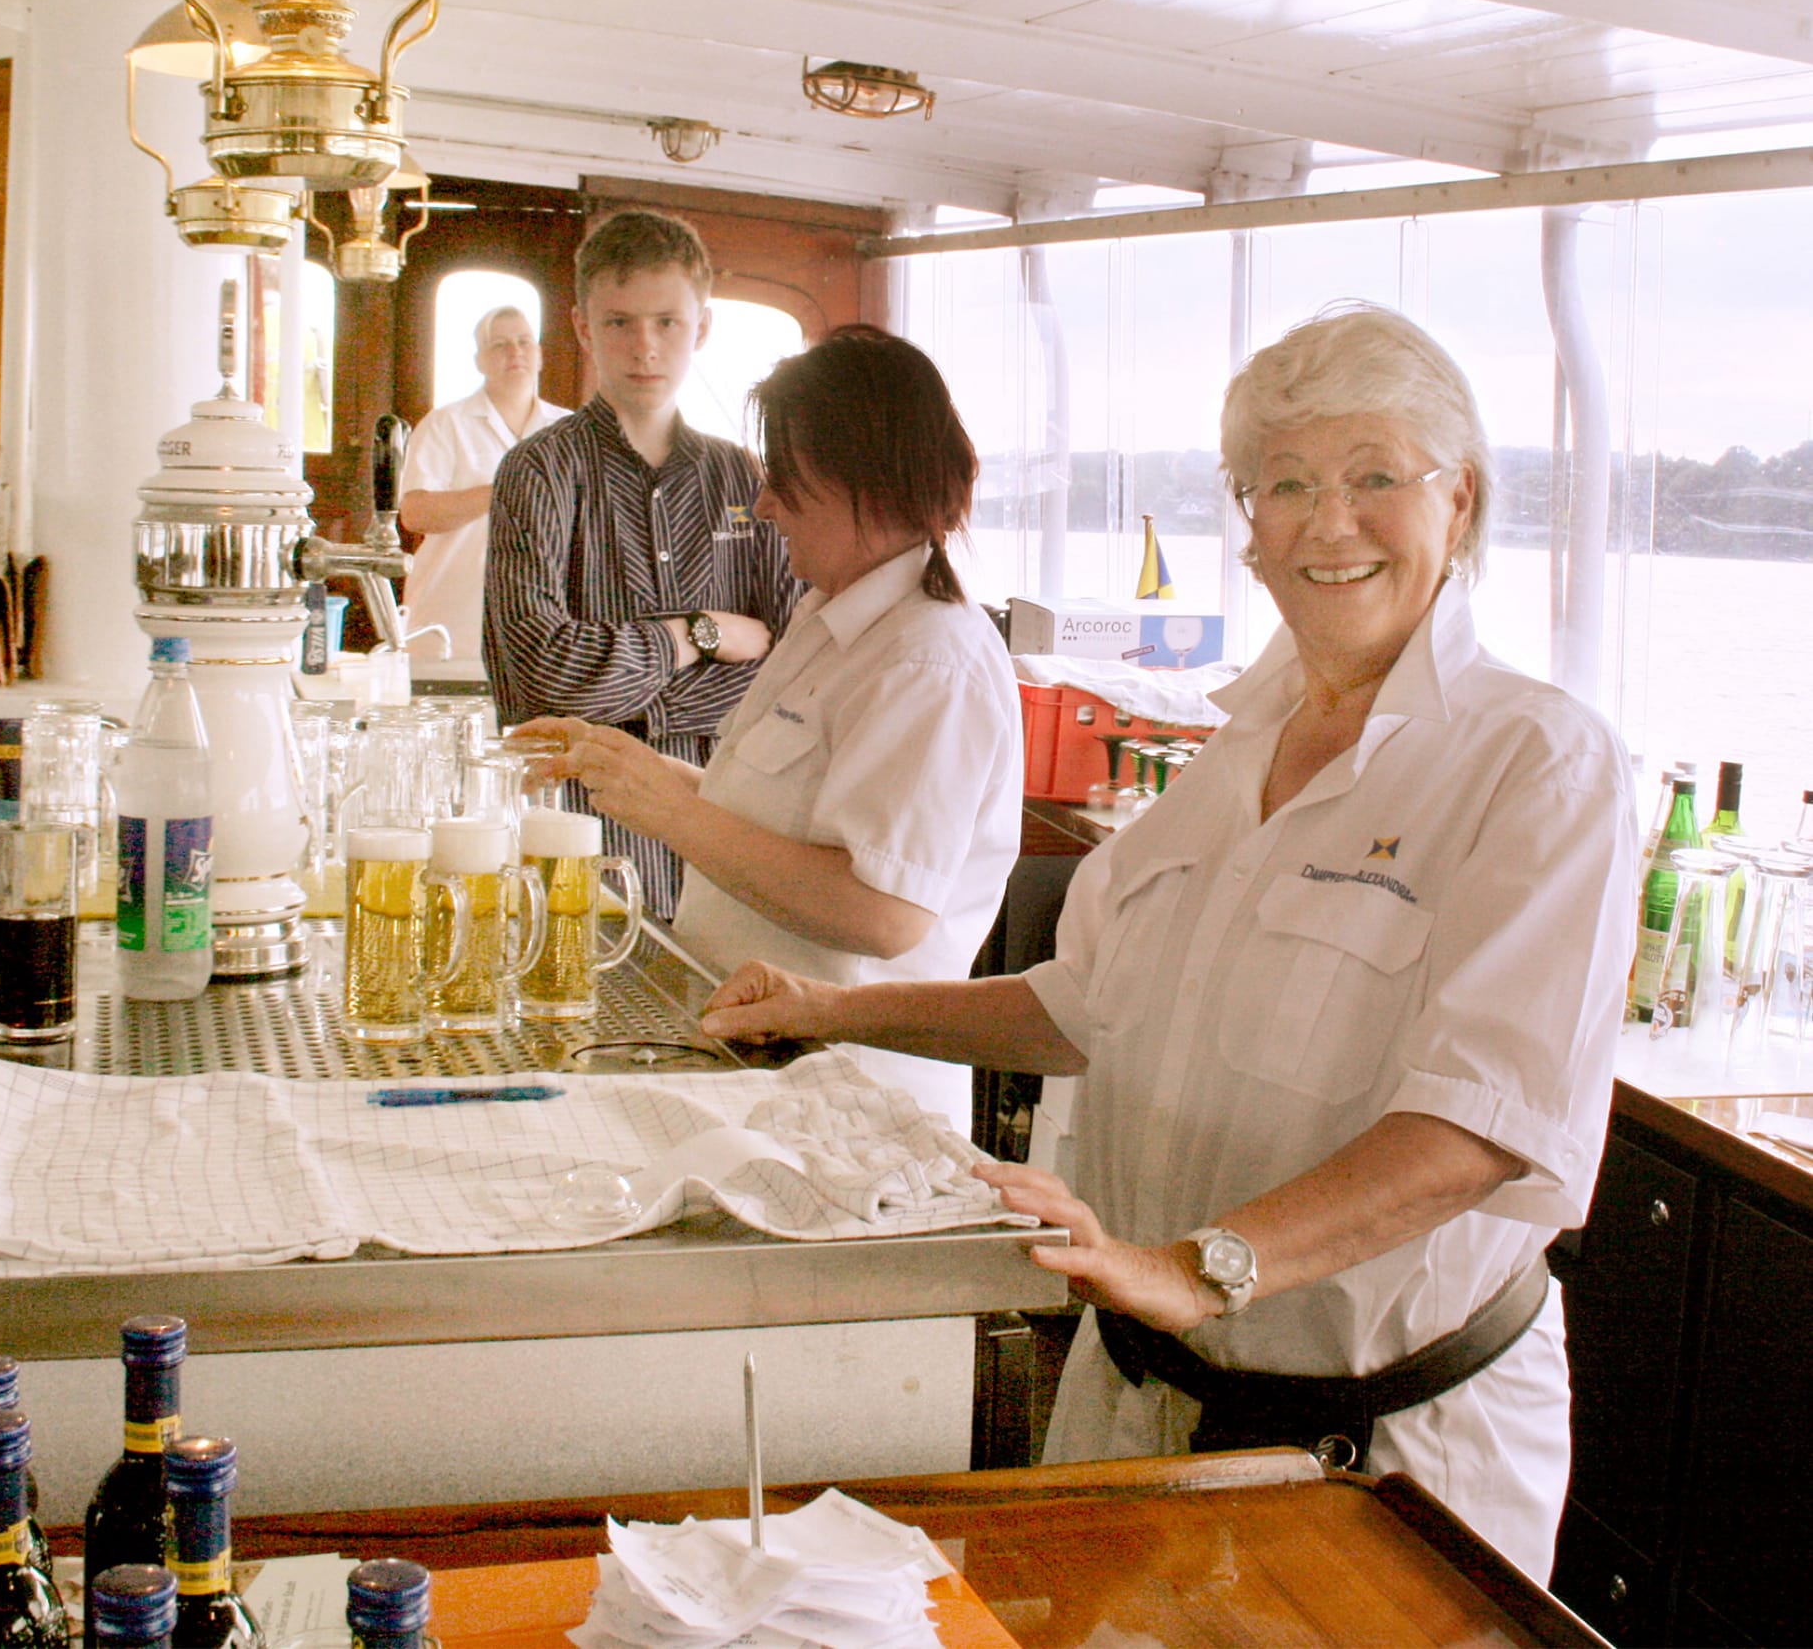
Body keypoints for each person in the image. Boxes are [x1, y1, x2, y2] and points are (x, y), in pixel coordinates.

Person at [699, 304, 1635, 1582]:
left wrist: (1201, 1271)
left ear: (1458, 505)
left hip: (1377, 1455)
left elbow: (1479, 1127)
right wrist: (823, 1008)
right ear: (1249, 529)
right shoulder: (1229, 748)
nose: (1329, 522)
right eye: (1286, 485)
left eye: (1376, 479)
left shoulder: (1539, 763)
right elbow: (1084, 1007)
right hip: (1137, 1404)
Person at [515, 326, 1022, 1130]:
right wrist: (628, 765)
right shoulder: (831, 618)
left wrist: (668, 811)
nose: (765, 506)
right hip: (761, 1067)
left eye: (787, 480)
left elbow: (883, 916)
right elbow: (761, 819)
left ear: (872, 484)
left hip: (848, 1100)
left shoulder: (929, 661)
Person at [483, 210, 799, 918]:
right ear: (582, 326)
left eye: (668, 322)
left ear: (703, 328)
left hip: (725, 835)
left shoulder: (743, 476)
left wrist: (612, 718)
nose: (645, 347)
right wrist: (698, 635)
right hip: (574, 843)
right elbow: (540, 676)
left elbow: (790, 665)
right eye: (620, 322)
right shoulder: (537, 471)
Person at [396, 305, 569, 660]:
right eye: (499, 345)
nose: (514, 352)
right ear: (479, 361)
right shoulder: (446, 424)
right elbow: (415, 514)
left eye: (524, 342)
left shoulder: (569, 430)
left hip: (547, 624)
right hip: (452, 619)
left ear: (539, 356)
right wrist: (502, 491)